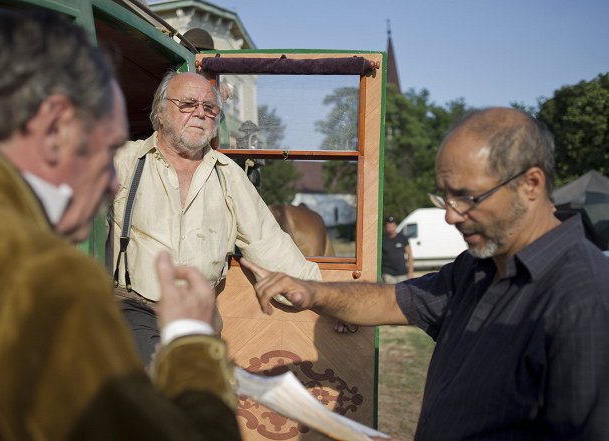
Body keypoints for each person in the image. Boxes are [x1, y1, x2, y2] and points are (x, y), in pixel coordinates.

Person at [0, 12, 240, 440]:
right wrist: (191, 340)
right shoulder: (43, 278)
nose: (113, 180)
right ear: (51, 127)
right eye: (105, 148)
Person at [241, 107, 609, 440]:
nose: (450, 215)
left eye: (467, 197)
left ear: (531, 184)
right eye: (444, 198)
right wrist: (313, 292)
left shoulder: (584, 298)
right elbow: (392, 299)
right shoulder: (478, 267)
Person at [108, 71, 321, 365]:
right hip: (135, 306)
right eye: (187, 104)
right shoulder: (123, 161)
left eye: (210, 108)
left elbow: (271, 245)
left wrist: (327, 300)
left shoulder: (229, 176)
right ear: (160, 111)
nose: (200, 113)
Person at [381, 215, 414, 283]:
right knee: (389, 292)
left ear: (396, 226)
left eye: (392, 226)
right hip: (388, 273)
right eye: (388, 227)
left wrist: (410, 272)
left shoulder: (403, 238)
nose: (390, 228)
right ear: (386, 227)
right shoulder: (382, 239)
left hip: (401, 274)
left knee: (401, 292)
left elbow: (409, 255)